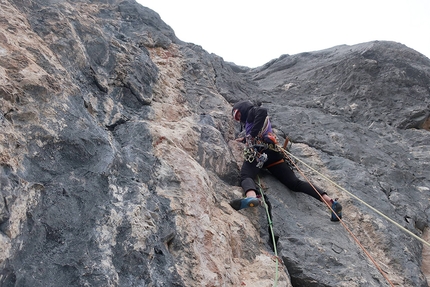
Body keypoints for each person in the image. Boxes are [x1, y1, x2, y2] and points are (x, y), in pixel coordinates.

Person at [229, 100, 342, 221]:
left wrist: (251, 135)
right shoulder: (254, 122)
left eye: (238, 114)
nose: (239, 117)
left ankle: (251, 197)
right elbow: (258, 131)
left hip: (260, 153)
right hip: (273, 155)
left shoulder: (252, 112)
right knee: (294, 183)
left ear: (243, 108)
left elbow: (262, 112)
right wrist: (246, 139)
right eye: (237, 117)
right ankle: (330, 202)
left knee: (246, 175)